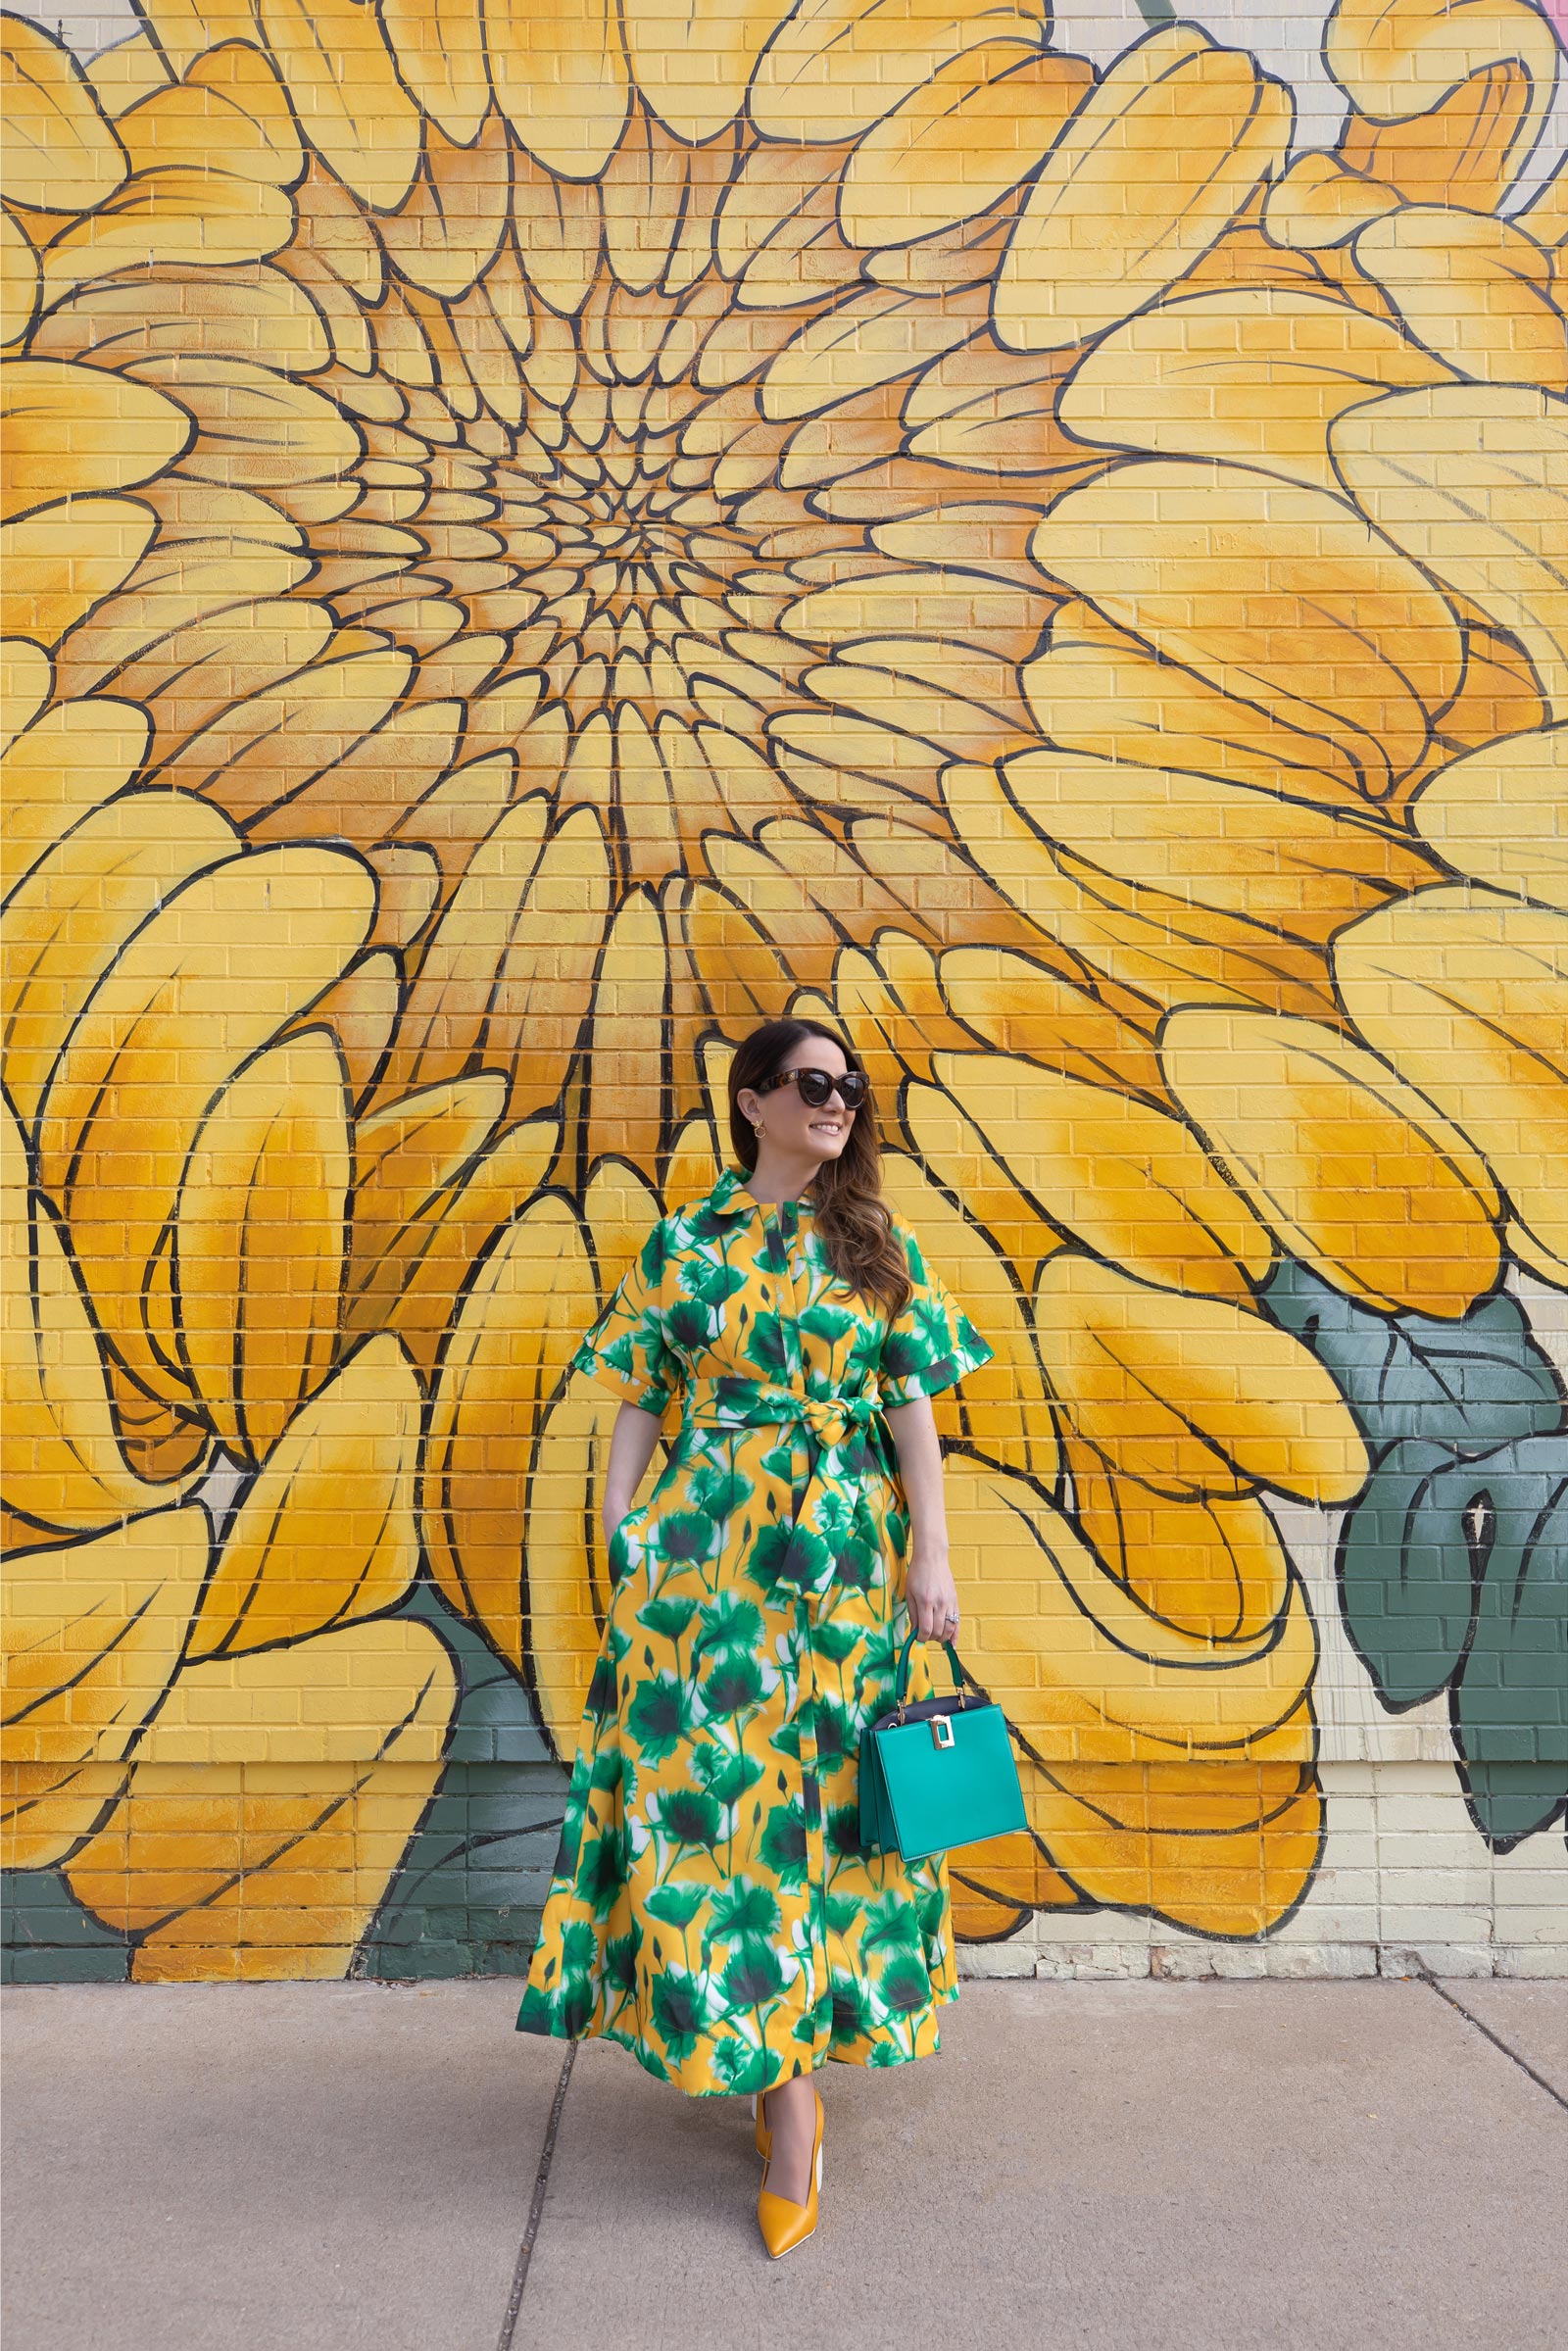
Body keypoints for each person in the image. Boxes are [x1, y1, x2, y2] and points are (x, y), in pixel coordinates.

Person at [516, 1016, 994, 2257]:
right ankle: (780, 2091)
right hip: (699, 1563)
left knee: (821, 1811)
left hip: (835, 1569)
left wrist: (928, 1552)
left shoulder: (875, 1242)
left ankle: (790, 2091)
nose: (837, 1103)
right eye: (813, 1084)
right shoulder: (685, 1242)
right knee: (707, 1814)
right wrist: (620, 1524)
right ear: (752, 1101)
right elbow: (640, 1389)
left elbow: (912, 1406)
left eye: (850, 1087)